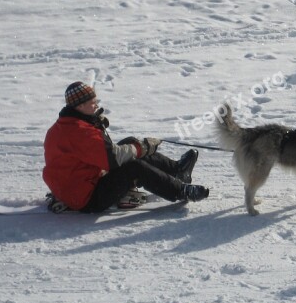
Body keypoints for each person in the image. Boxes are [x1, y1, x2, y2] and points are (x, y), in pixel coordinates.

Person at [43, 81, 209, 213]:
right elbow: (112, 158)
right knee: (132, 166)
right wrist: (143, 147)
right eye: (92, 102)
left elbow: (97, 153)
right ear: (79, 106)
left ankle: (177, 171)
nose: (96, 104)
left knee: (130, 144)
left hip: (80, 183)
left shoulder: (68, 124)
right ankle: (181, 191)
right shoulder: (79, 131)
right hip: (86, 199)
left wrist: (96, 125)